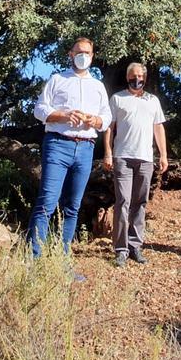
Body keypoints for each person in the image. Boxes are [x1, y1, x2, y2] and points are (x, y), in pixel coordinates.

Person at [27, 37, 112, 262]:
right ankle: (33, 259)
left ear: (93, 57)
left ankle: (61, 260)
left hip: (85, 148)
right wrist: (64, 115)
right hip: (58, 144)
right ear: (71, 54)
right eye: (79, 51)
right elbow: (39, 109)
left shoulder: (98, 86)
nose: (84, 56)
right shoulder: (57, 79)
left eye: (88, 53)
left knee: (73, 207)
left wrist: (94, 120)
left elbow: (106, 117)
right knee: (47, 202)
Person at [102, 62, 168, 267]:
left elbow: (158, 128)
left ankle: (135, 246)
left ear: (145, 78)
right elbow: (108, 128)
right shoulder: (117, 99)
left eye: (139, 76)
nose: (136, 79)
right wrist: (108, 153)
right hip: (122, 157)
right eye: (132, 75)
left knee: (140, 203)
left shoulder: (152, 101)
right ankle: (120, 249)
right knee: (123, 202)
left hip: (146, 158)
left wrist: (163, 155)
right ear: (127, 77)